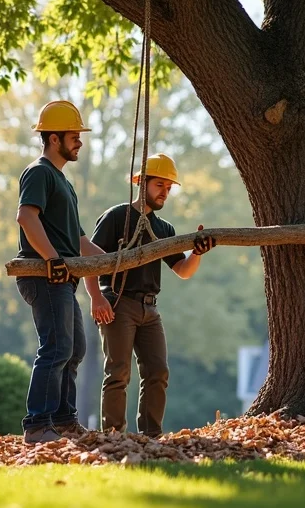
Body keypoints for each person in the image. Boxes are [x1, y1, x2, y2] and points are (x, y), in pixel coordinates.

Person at [85, 153, 216, 437]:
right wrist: (96, 297)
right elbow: (89, 260)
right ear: (141, 183)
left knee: (158, 372)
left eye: (168, 188)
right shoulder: (116, 217)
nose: (165, 193)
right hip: (118, 302)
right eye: (159, 185)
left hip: (150, 309)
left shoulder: (164, 228)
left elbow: (182, 270)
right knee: (118, 373)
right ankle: (114, 436)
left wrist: (196, 252)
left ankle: (151, 435)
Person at [14, 100, 108, 444]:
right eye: (74, 136)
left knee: (75, 350)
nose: (80, 141)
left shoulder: (63, 183)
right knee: (55, 349)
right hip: (44, 276)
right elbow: (26, 217)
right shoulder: (39, 172)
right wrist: (53, 259)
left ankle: (65, 421)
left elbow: (81, 241)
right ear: (54, 139)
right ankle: (38, 424)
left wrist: (119, 260)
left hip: (63, 280)